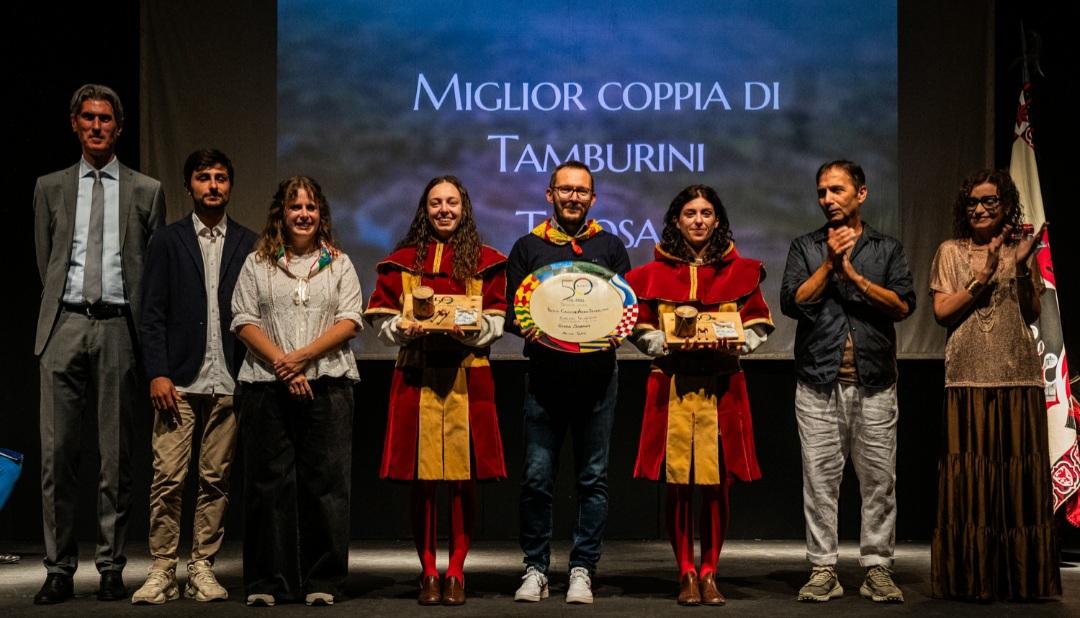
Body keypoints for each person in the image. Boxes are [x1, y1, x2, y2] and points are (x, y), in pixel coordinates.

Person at [33, 84, 165, 604]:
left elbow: (151, 274)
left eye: (105, 119)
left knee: (116, 456)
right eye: (87, 118)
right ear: (73, 123)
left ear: (119, 126)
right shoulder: (48, 187)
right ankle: (58, 568)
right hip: (63, 324)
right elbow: (43, 259)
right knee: (57, 455)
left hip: (117, 328)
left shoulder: (145, 189)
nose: (96, 126)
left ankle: (111, 565)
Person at [625, 185, 773, 605]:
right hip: (670, 385)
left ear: (717, 219)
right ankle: (685, 572)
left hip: (723, 385)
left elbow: (758, 323)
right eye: (690, 213)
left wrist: (739, 343)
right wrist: (663, 343)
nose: (699, 220)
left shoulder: (740, 270)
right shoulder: (651, 274)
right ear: (676, 220)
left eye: (707, 213)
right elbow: (641, 327)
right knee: (678, 484)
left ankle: (710, 572)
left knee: (717, 484)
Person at [365, 176, 508, 606]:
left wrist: (474, 330)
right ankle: (428, 571)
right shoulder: (402, 262)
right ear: (424, 210)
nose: (444, 210)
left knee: (464, 482)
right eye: (435, 203)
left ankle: (458, 572)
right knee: (422, 483)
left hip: (470, 376)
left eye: (451, 202)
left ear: (464, 208)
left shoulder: (486, 261)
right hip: (417, 376)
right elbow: (381, 320)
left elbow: (498, 323)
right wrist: (399, 328)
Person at [780, 160, 914, 603]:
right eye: (821, 192)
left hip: (875, 382)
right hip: (818, 383)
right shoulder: (806, 246)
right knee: (819, 481)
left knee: (879, 481)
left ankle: (877, 567)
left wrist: (853, 276)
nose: (827, 200)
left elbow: (902, 305)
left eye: (836, 190)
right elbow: (793, 302)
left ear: (861, 193)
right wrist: (830, 264)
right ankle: (823, 569)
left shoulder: (886, 248)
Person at [230, 176, 362, 606]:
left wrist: (300, 358)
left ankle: (323, 580)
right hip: (265, 386)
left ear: (321, 214)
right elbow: (243, 319)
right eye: (294, 207)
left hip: (329, 385)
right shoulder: (258, 263)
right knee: (268, 486)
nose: (303, 214)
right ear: (280, 214)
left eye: (310, 207)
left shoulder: (338, 263)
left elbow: (350, 320)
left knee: (327, 486)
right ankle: (268, 583)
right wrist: (284, 367)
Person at [929, 169, 1060, 601]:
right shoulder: (950, 251)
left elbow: (1032, 312)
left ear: (1006, 206)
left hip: (1017, 376)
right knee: (971, 481)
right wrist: (983, 275)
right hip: (967, 378)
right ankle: (971, 578)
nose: (981, 209)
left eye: (990, 202)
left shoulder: (1017, 251)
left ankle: (1020, 579)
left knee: (1014, 484)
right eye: (973, 203)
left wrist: (1020, 268)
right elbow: (943, 312)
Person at [133, 149, 257, 604]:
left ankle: (202, 566)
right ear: (189, 186)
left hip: (228, 379)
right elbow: (153, 314)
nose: (213, 186)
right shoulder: (168, 240)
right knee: (167, 476)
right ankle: (163, 568)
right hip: (178, 381)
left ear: (230, 185)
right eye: (203, 178)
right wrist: (158, 372)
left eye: (221, 177)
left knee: (215, 479)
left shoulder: (249, 242)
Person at [506, 161, 631, 604]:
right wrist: (542, 328)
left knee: (592, 479)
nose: (573, 197)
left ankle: (582, 569)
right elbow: (512, 315)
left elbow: (624, 315)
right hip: (544, 381)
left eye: (582, 191)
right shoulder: (527, 247)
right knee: (536, 479)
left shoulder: (612, 247)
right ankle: (536, 568)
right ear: (550, 194)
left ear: (593, 199)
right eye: (565, 190)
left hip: (599, 381)